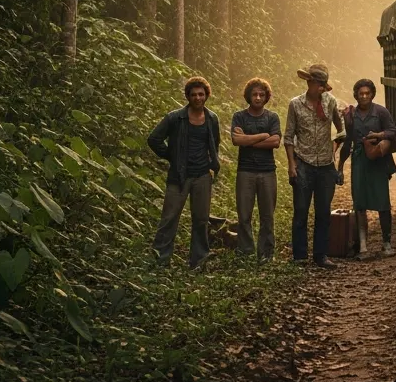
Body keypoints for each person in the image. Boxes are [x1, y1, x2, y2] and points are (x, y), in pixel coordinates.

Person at [148, 76, 222, 269]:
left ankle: (199, 261)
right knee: (169, 218)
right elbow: (154, 139)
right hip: (178, 177)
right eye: (193, 94)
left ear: (206, 95)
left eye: (201, 94)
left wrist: (211, 165)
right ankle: (160, 261)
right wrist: (172, 156)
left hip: (202, 176)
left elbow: (215, 143)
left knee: (201, 220)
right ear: (188, 96)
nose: (198, 98)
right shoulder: (175, 118)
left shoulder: (212, 118)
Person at [284, 64, 345, 267]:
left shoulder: (330, 102)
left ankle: (321, 255)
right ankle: (300, 256)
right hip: (303, 163)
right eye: (318, 84)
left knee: (323, 212)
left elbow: (341, 130)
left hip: (326, 166)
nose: (321, 88)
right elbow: (289, 137)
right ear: (309, 83)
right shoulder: (295, 104)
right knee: (301, 211)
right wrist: (292, 165)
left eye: (323, 85)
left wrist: (333, 149)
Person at [337, 79, 396, 260]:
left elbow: (393, 131)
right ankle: (363, 247)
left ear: (372, 94)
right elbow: (348, 141)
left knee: (382, 202)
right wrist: (340, 167)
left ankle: (387, 244)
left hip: (378, 161)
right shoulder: (351, 115)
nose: (364, 96)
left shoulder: (381, 112)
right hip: (359, 161)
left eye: (367, 93)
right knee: (360, 203)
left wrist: (379, 135)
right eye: (360, 93)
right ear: (356, 95)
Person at [231, 78, 282, 260]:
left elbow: (275, 142)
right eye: (255, 94)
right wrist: (262, 136)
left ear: (266, 96)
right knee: (244, 214)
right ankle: (245, 252)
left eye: (262, 94)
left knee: (267, 215)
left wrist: (248, 139)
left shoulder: (272, 117)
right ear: (249, 96)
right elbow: (237, 140)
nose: (258, 98)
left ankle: (266, 253)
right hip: (245, 171)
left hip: (268, 171)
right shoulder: (239, 116)